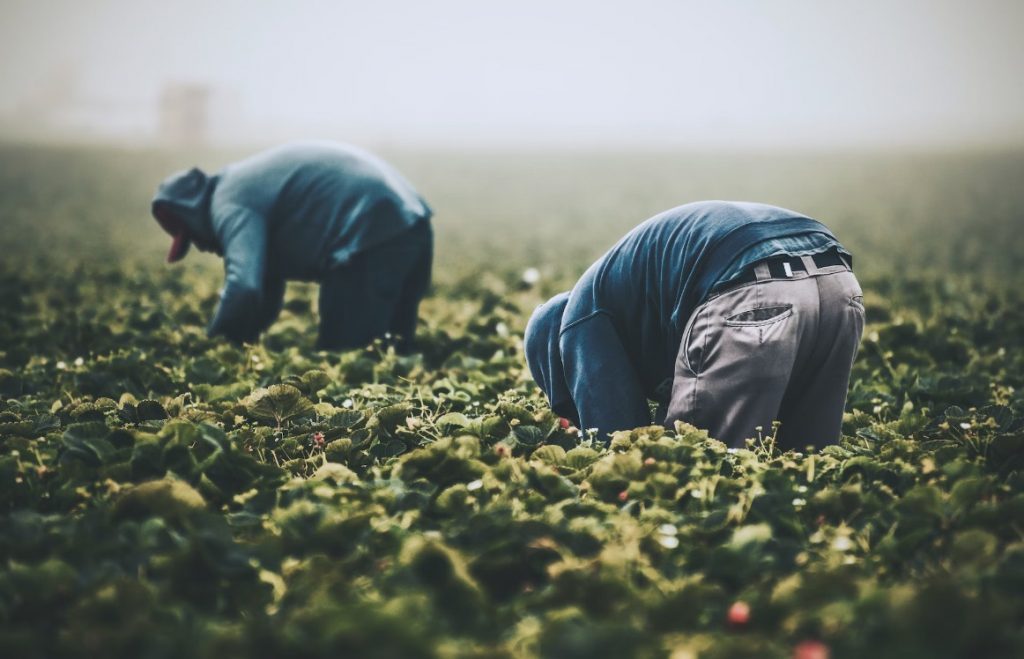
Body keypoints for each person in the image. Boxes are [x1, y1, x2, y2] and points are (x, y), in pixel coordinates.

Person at [524, 201, 864, 449]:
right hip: (837, 282)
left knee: (698, 465)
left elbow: (622, 440)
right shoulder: (620, 294)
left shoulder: (580, 319)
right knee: (809, 458)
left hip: (749, 290)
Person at [150, 141, 433, 351]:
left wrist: (212, 345)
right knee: (393, 351)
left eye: (193, 238)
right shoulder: (242, 183)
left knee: (345, 355)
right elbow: (264, 288)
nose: (200, 247)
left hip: (371, 236)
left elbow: (244, 287)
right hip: (413, 224)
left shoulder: (229, 201)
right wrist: (242, 340)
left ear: (193, 214)